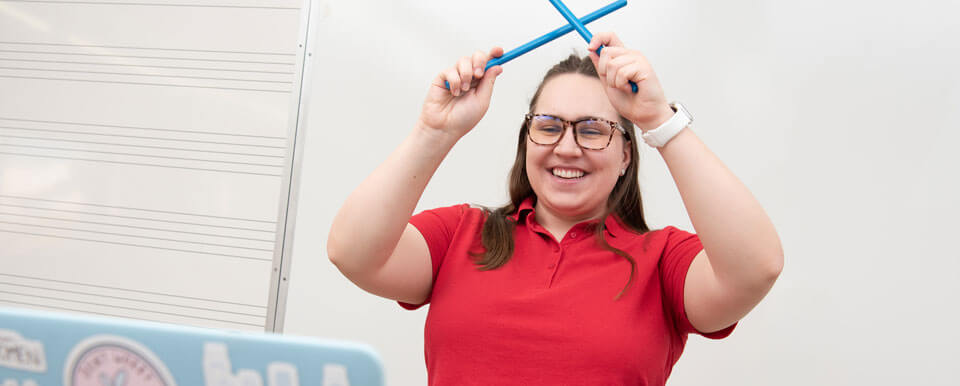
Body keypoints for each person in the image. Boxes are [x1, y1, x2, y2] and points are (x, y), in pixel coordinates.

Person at [327, 32, 783, 385]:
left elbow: (756, 268)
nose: (566, 147)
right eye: (548, 126)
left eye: (591, 129)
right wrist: (435, 130)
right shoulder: (461, 233)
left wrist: (659, 119)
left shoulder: (662, 261)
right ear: (527, 140)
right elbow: (351, 251)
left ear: (626, 153)